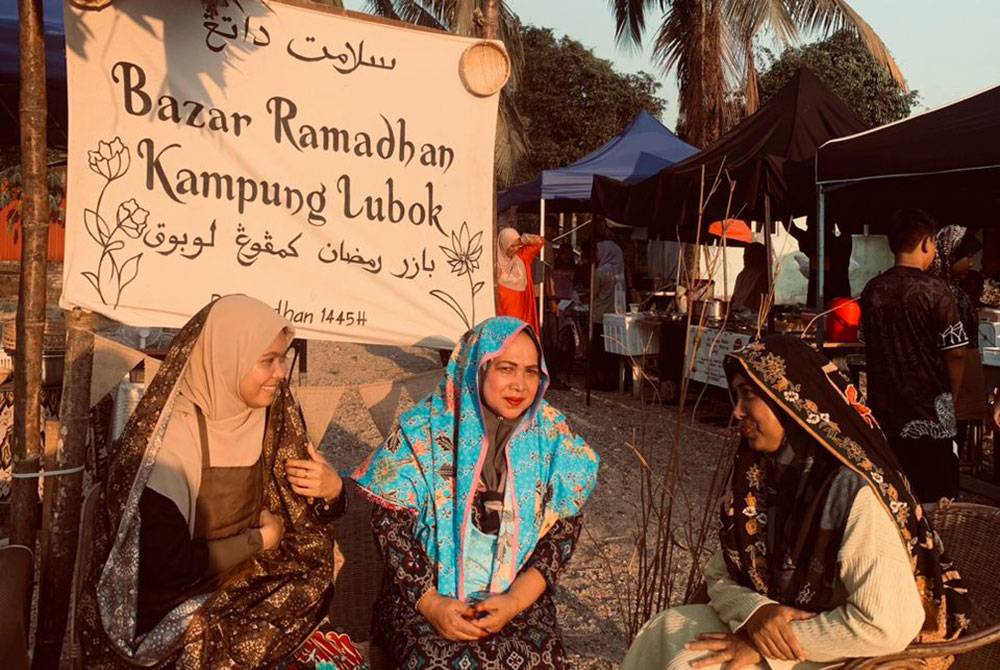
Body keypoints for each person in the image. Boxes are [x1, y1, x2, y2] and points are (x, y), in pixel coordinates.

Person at [622, 335, 971, 670]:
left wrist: (763, 646)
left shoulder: (856, 495)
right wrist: (756, 613)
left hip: (862, 651)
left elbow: (887, 625)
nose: (737, 412)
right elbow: (721, 572)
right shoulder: (766, 479)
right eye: (736, 397)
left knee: (692, 665)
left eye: (748, 397)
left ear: (792, 402)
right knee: (665, 631)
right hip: (789, 624)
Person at [76, 295, 346, 667]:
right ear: (224, 360)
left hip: (248, 584)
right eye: (268, 361)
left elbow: (302, 513)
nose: (281, 373)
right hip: (175, 603)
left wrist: (334, 492)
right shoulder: (166, 445)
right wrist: (259, 541)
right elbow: (167, 568)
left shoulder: (272, 418)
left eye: (283, 358)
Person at [353, 317, 600, 669]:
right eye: (506, 368)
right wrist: (433, 605)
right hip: (422, 598)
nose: (520, 385)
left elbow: (560, 537)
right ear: (477, 367)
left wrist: (514, 601)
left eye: (531, 371)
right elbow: (390, 529)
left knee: (541, 659)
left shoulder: (553, 438)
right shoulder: (422, 430)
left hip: (515, 599)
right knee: (436, 661)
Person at [860, 209, 968, 502]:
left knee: (895, 503)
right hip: (930, 420)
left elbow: (865, 343)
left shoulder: (872, 291)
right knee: (938, 506)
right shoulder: (936, 291)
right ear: (927, 244)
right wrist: (952, 400)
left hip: (885, 421)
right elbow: (956, 354)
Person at [932, 226, 987, 440]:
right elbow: (953, 350)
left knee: (959, 437)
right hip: (951, 378)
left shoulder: (956, 291)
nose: (971, 263)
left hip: (965, 375)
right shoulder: (939, 292)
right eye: (967, 257)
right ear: (949, 254)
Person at [590, 233, 626, 391]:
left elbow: (593, 293)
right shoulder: (620, 273)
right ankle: (613, 381)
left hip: (600, 316)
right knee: (612, 350)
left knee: (598, 351)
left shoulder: (600, 272)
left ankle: (599, 381)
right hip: (616, 316)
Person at [496, 227, 545, 336]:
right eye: (511, 246)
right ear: (503, 244)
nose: (515, 249)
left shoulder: (522, 258)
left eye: (517, 246)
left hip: (522, 318)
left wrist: (522, 240)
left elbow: (540, 241)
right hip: (501, 320)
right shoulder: (493, 266)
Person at [731, 243, 769, 315]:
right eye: (745, 256)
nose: (744, 258)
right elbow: (734, 299)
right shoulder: (742, 275)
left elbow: (761, 305)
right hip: (741, 316)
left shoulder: (761, 278)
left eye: (747, 256)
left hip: (753, 318)